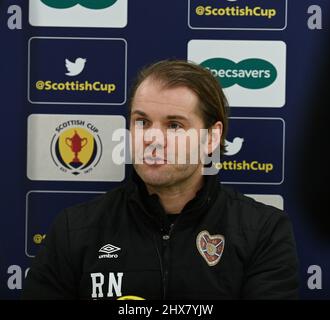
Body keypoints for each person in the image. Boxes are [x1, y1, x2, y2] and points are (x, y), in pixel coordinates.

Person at [22, 60, 299, 300]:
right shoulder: (75, 229)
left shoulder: (263, 231)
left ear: (211, 137)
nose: (152, 138)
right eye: (142, 122)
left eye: (174, 125)